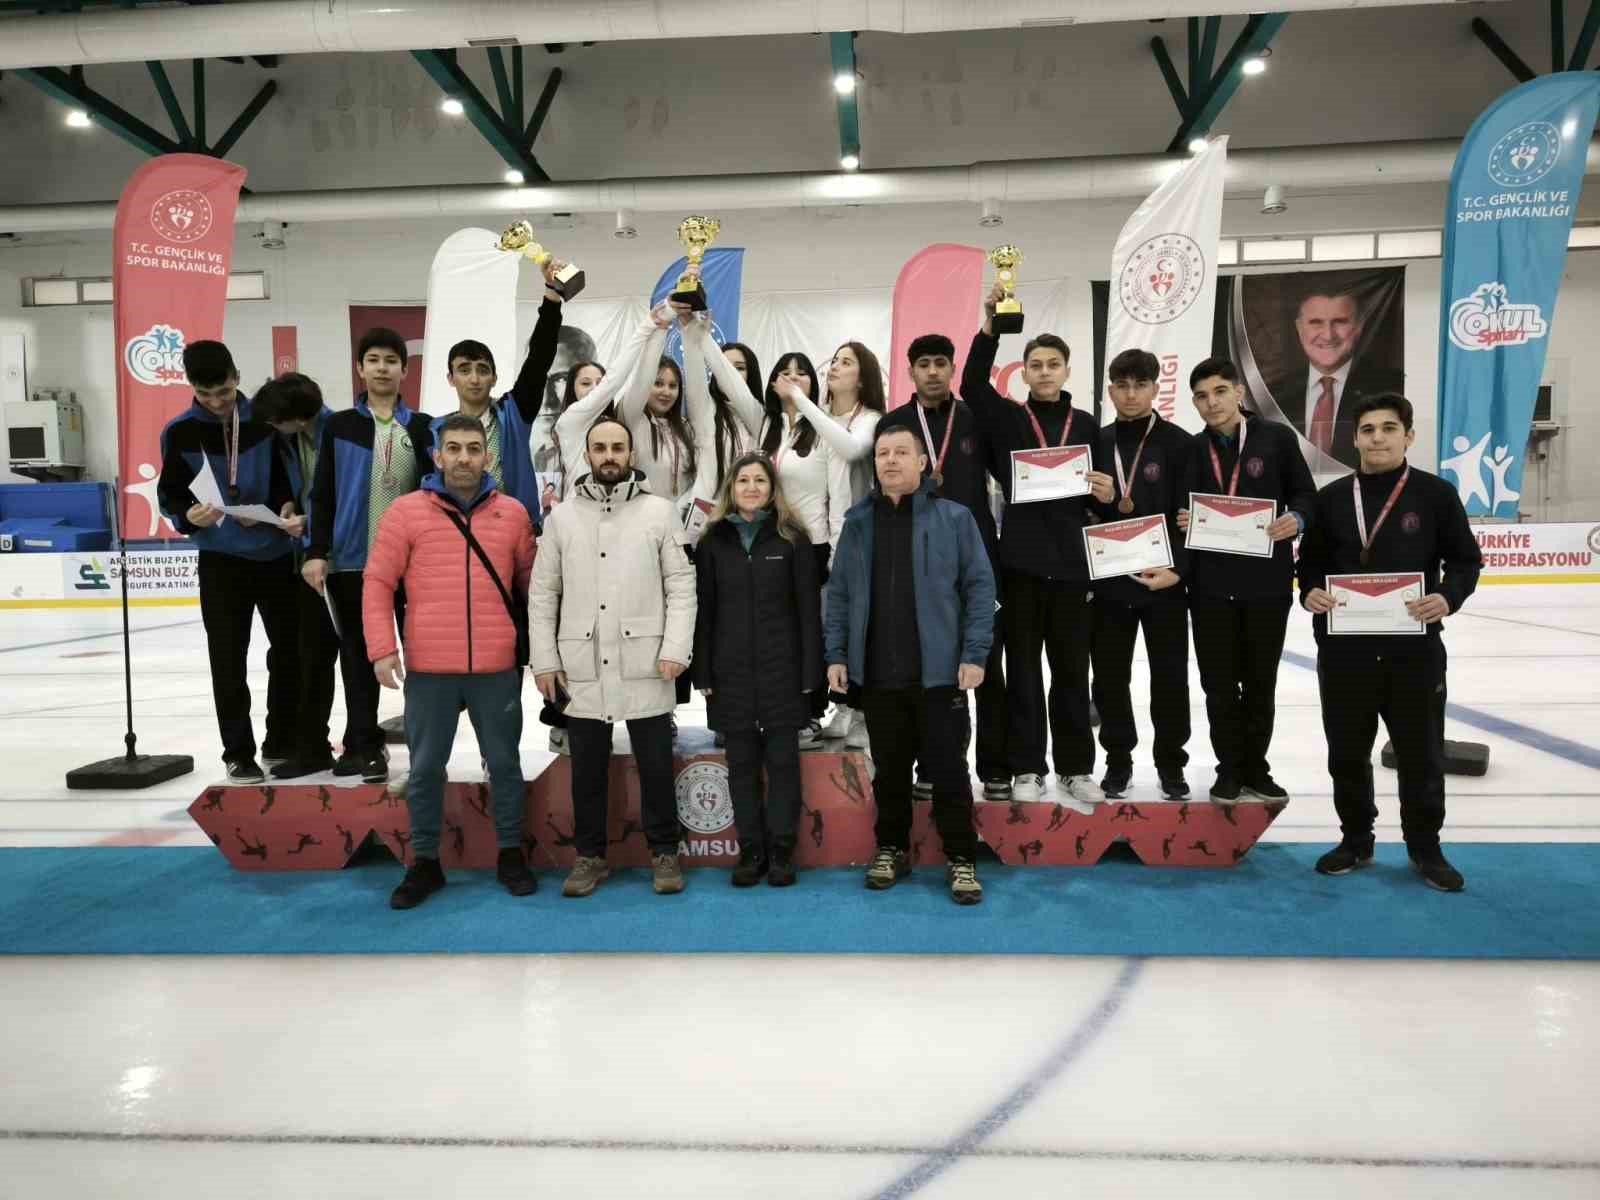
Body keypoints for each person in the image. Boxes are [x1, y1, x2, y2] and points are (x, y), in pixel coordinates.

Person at [1297, 393, 1482, 892]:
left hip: (1413, 651)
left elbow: (1466, 561)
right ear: (1354, 438)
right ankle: (1356, 839)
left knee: (1421, 755)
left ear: (1408, 436)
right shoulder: (1332, 498)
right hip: (1344, 651)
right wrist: (1309, 590)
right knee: (1347, 753)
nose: (1377, 437)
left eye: (1388, 428)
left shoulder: (1436, 495)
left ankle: (1426, 849)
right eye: (1368, 430)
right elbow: (1309, 564)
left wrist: (1447, 596)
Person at [363, 414, 538, 909]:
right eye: (454, 449)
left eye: (474, 448)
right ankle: (424, 862)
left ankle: (510, 854)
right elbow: (377, 582)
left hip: (495, 667)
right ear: (436, 456)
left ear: (487, 455)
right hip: (430, 669)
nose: (464, 458)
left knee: (504, 764)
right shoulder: (405, 513)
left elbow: (534, 590)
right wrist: (381, 648)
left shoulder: (513, 515)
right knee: (423, 770)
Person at [825, 425, 996, 905]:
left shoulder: (956, 519)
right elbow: (838, 596)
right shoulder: (858, 523)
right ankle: (891, 848)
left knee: (948, 771)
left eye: (902, 452)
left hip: (941, 675)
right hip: (879, 674)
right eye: (882, 454)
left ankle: (962, 859)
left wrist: (974, 654)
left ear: (923, 463)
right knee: (891, 772)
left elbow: (981, 589)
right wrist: (837, 654)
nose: (891, 461)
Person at [530, 415, 698, 899]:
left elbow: (682, 587)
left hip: (646, 660)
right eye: (600, 447)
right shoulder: (561, 519)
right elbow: (543, 594)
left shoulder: (660, 513)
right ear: (588, 454)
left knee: (655, 766)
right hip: (580, 663)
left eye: (617, 447)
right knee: (586, 769)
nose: (609, 455)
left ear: (630, 455)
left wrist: (675, 649)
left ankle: (665, 852)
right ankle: (589, 856)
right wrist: (544, 661)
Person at [962, 283, 1115, 808]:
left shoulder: (1090, 427)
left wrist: (1110, 495)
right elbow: (972, 384)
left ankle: (1076, 767)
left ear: (1067, 370)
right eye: (1036, 364)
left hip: (1074, 569)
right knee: (1024, 673)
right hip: (1021, 565)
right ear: (1023, 372)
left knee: (1073, 673)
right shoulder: (1006, 419)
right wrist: (990, 327)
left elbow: (1108, 501)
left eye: (1054, 364)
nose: (1045, 372)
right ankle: (1028, 765)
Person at [157, 340, 302, 783]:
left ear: (236, 376)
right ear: (192, 389)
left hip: (276, 554)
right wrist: (187, 515)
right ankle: (238, 752)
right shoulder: (179, 432)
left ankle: (281, 739)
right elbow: (171, 497)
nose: (218, 403)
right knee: (227, 658)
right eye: (206, 395)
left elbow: (288, 477)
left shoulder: (264, 419)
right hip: (221, 561)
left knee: (290, 652)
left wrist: (287, 508)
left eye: (223, 391)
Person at [1180, 357, 1316, 805]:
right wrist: (1183, 518)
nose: (1211, 403)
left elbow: (1305, 495)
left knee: (1259, 684)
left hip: (1266, 585)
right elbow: (1178, 509)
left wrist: (1296, 518)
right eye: (1201, 396)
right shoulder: (1191, 451)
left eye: (1219, 391)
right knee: (1218, 685)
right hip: (1209, 588)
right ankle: (1229, 770)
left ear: (1238, 392)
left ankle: (1256, 768)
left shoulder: (1275, 439)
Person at [877, 333, 1008, 799]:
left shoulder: (976, 419)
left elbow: (1011, 478)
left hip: (977, 561)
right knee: (925, 669)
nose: (933, 371)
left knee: (987, 664)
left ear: (953, 369)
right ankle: (931, 768)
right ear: (910, 371)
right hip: (915, 561)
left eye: (941, 363)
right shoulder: (894, 425)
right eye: (924, 363)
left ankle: (996, 768)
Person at [304, 327, 434, 783]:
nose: (382, 368)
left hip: (414, 565)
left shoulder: (421, 427)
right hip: (353, 563)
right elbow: (321, 495)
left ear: (404, 369)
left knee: (421, 656)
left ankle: (427, 745)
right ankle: (363, 745)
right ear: (360, 368)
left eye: (391, 360)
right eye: (373, 360)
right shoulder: (339, 426)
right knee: (358, 657)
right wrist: (316, 551)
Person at [692, 452, 823, 887]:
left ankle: (782, 852)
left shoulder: (793, 539)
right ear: (731, 488)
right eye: (743, 480)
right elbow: (704, 612)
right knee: (741, 765)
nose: (752, 488)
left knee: (784, 764)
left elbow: (808, 612)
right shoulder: (712, 543)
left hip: (782, 673)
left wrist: (810, 676)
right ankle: (751, 851)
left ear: (772, 489)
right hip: (730, 675)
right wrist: (704, 673)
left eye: (760, 481)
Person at [1090, 349, 1194, 800]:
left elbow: (1197, 517)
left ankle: (1171, 763)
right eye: (1122, 385)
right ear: (1110, 389)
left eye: (1140, 385)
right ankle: (1118, 760)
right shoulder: (1096, 442)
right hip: (1111, 582)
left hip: (1164, 581)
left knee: (1169, 676)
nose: (1131, 394)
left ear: (1156, 389)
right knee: (1110, 677)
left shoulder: (1181, 444)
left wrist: (1181, 572)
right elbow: (1081, 512)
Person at [430, 252, 576, 531]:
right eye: (464, 370)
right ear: (450, 378)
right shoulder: (435, 430)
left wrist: (551, 296)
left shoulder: (514, 412)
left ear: (495, 378)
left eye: (483, 370)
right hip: (455, 534)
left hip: (514, 531)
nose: (474, 378)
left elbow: (540, 357)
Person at [252, 373, 342, 780]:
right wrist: (289, 505)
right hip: (304, 556)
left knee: (332, 659)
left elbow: (348, 497)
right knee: (308, 656)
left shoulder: (337, 433)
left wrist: (316, 527)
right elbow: (304, 487)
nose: (273, 429)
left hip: (336, 560)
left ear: (296, 419)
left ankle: (346, 745)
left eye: (276, 422)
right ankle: (309, 745)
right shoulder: (291, 440)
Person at [1276, 288, 1404, 469]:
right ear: (1299, 328)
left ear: (1359, 327)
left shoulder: (1394, 387)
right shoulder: (1274, 394)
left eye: (1340, 322)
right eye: (1316, 322)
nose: (1328, 335)